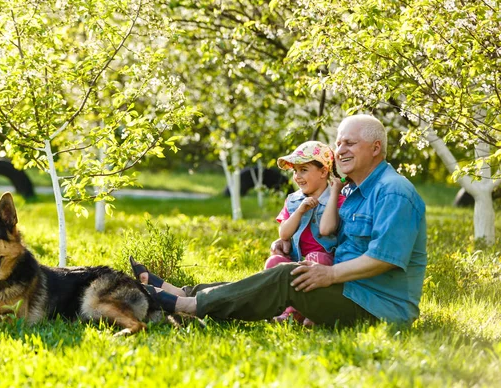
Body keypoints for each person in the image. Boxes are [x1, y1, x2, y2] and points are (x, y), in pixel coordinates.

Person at [131, 115, 427, 327]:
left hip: (378, 308)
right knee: (280, 274)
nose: (340, 151)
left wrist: (330, 275)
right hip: (350, 290)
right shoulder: (350, 192)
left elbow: (384, 259)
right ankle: (186, 294)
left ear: (375, 148)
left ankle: (190, 306)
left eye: (350, 143)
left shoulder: (394, 191)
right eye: (338, 143)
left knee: (285, 277)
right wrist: (294, 244)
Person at [265, 141, 345, 324]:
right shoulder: (293, 200)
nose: (298, 176)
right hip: (296, 257)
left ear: (324, 171)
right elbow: (284, 234)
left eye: (304, 170)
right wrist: (300, 211)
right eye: (295, 171)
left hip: (323, 264)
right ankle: (279, 308)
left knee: (315, 259)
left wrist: (333, 195)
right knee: (274, 261)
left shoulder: (338, 200)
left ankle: (298, 311)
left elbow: (326, 229)